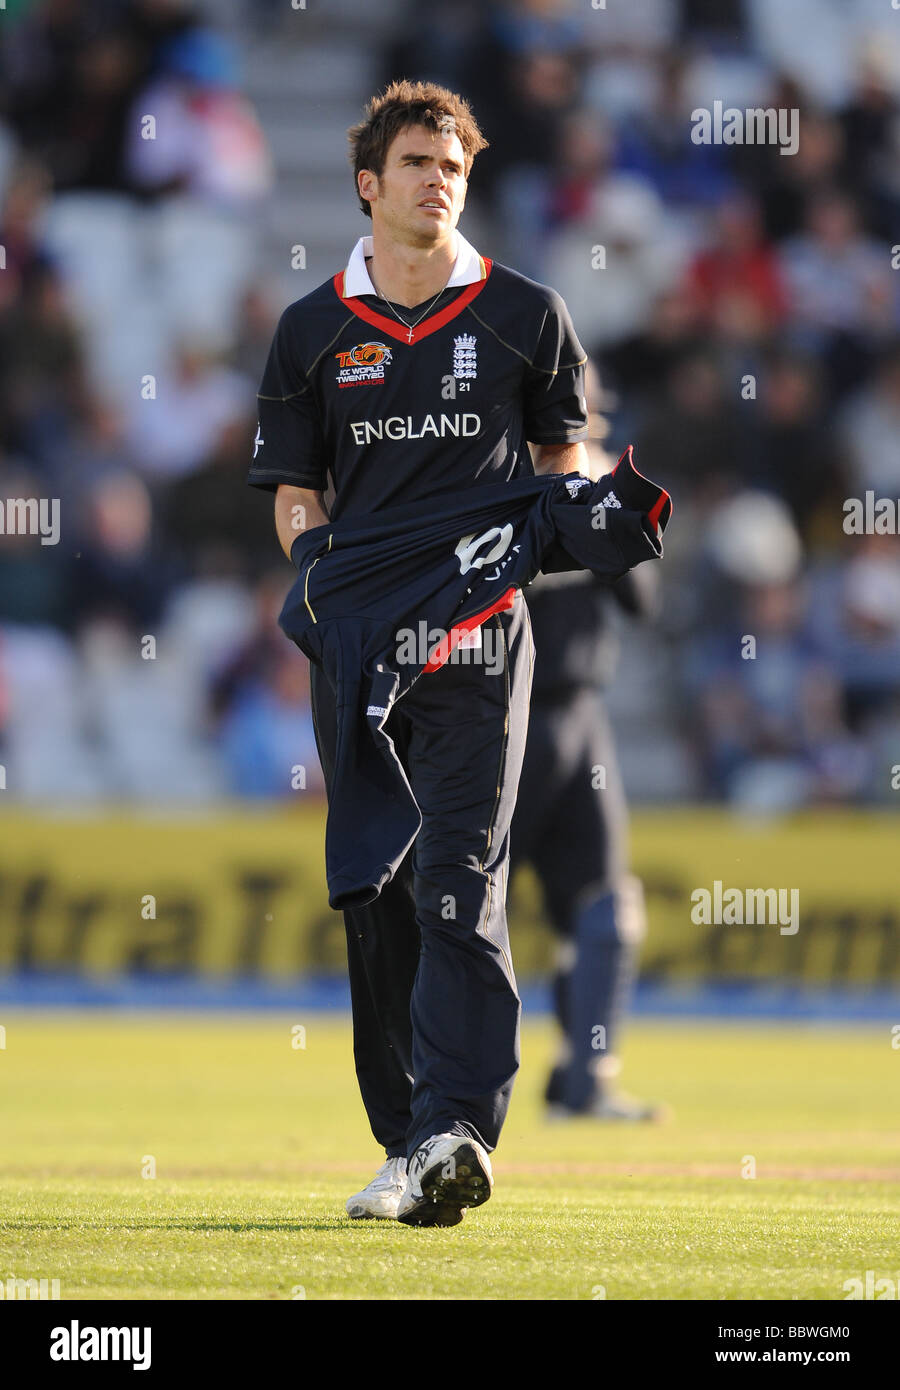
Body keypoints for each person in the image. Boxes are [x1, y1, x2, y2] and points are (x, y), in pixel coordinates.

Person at [248, 80, 594, 1227]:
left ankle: (457, 1127)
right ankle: (408, 1138)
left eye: (453, 165)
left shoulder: (525, 314)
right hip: (360, 658)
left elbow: (558, 471)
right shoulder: (311, 329)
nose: (438, 180)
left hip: (483, 644)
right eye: (415, 163)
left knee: (461, 880)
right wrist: (321, 564)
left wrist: (588, 514)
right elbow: (295, 498)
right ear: (368, 184)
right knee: (378, 896)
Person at [510, 387, 667, 1122]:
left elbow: (642, 603)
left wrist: (611, 520)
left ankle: (585, 1078)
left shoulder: (597, 482)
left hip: (580, 717)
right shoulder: (501, 485)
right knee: (467, 907)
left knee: (605, 909)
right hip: (499, 719)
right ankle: (448, 1090)